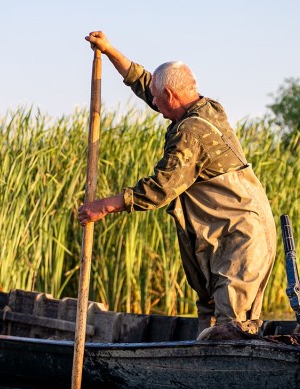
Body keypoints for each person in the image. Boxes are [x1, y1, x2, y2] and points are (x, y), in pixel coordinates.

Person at [79, 31, 277, 337]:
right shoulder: (207, 107)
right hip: (225, 235)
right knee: (210, 316)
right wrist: (109, 51)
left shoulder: (191, 133)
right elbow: (148, 85)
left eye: (159, 100)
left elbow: (161, 188)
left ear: (171, 96)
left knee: (232, 329)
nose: (155, 105)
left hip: (241, 241)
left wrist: (104, 206)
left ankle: (224, 375)